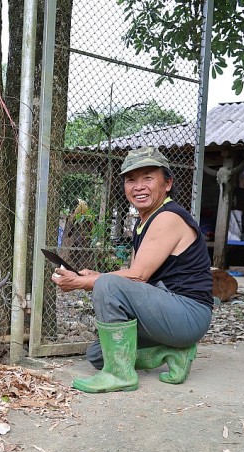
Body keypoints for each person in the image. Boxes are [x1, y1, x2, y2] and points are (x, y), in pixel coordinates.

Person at [51, 147, 213, 393]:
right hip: (167, 309)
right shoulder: (144, 220)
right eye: (131, 180)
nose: (139, 187)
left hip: (188, 313)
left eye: (148, 178)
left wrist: (90, 281)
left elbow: (138, 276)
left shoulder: (168, 217)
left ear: (167, 183)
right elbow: (136, 274)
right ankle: (173, 352)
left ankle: (120, 375)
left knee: (107, 285)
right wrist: (94, 276)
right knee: (98, 354)